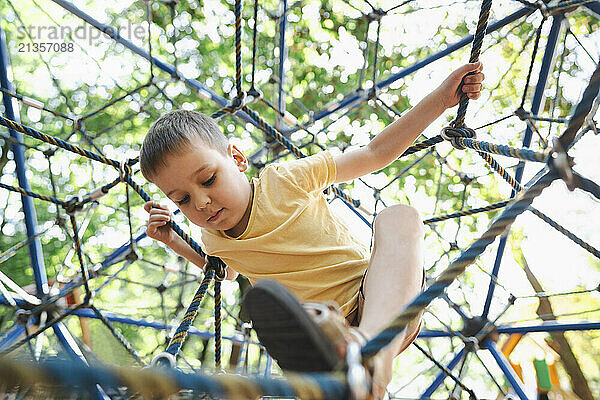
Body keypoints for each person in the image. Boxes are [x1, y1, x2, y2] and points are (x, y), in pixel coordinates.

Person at [140, 62, 484, 398]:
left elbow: (375, 152)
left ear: (238, 159)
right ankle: (350, 370)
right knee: (282, 311)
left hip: (377, 303)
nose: (200, 203)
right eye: (182, 199)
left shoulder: (285, 180)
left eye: (209, 179)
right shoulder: (212, 238)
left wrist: (441, 99)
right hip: (317, 334)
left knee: (399, 216)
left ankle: (371, 353)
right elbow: (224, 272)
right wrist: (174, 241)